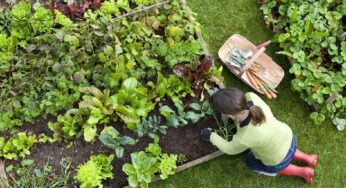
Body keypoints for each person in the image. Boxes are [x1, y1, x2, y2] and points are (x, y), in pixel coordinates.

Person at [201, 87, 318, 184]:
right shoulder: (251, 97)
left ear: (230, 115)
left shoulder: (244, 137)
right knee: (283, 147)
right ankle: (308, 158)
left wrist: (210, 135)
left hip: (276, 159)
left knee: (251, 162)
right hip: (288, 136)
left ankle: (302, 171)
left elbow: (229, 149)